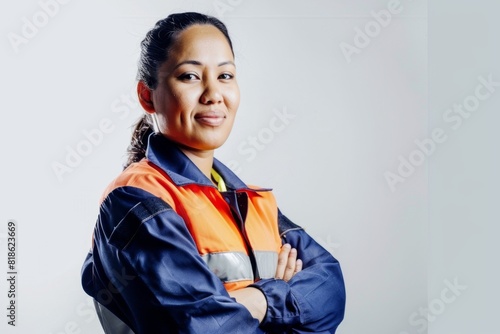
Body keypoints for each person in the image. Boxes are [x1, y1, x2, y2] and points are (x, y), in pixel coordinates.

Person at [81, 12, 345, 334]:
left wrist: (259, 301)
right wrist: (284, 302)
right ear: (147, 95)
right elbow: (206, 327)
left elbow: (331, 288)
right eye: (190, 76)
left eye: (225, 76)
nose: (213, 94)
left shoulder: (252, 202)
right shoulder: (136, 200)